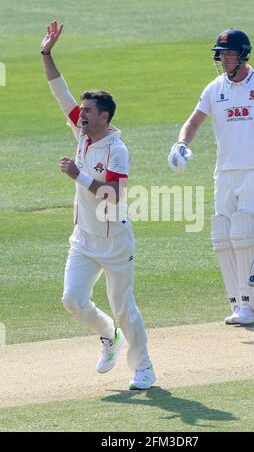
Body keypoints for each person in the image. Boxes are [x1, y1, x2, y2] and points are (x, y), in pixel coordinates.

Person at [40, 20, 156, 389]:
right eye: (83, 110)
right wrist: (46, 53)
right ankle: (109, 336)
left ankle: (144, 368)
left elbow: (114, 193)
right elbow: (60, 92)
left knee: (125, 308)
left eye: (88, 111)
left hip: (115, 241)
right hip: (84, 238)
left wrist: (78, 175)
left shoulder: (117, 149)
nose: (82, 113)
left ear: (105, 117)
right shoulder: (82, 133)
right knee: (72, 300)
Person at [168, 29, 254, 325]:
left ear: (243, 55)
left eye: (228, 54)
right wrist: (182, 143)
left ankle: (253, 305)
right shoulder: (214, 88)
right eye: (221, 54)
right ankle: (239, 302)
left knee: (246, 234)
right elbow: (193, 121)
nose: (223, 59)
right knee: (223, 235)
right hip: (225, 171)